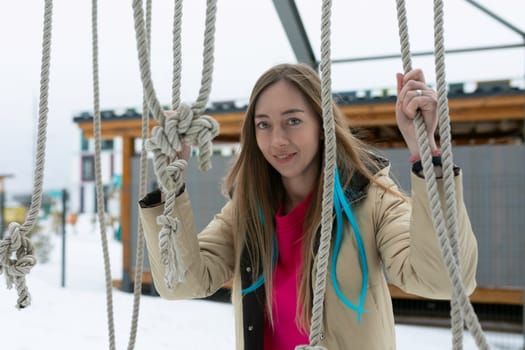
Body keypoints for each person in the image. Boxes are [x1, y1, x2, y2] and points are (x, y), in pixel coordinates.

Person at [139, 63, 478, 350]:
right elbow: (180, 282)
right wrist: (171, 188)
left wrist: (426, 155)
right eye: (264, 125)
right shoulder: (247, 211)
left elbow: (443, 281)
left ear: (321, 125)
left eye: (293, 121)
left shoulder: (370, 197)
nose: (277, 140)